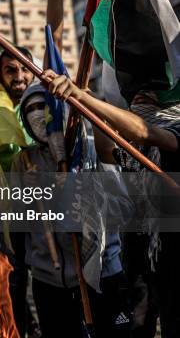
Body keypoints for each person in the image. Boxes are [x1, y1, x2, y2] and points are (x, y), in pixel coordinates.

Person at [43, 68, 180, 337]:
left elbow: (143, 131)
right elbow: (107, 150)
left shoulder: (174, 131)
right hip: (144, 262)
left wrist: (83, 97)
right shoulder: (137, 152)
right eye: (135, 99)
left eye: (148, 98)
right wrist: (87, 106)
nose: (138, 102)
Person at [11, 83, 130, 338]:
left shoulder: (94, 150)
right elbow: (19, 220)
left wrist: (81, 193)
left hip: (102, 276)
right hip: (50, 283)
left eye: (43, 106)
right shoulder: (25, 162)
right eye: (29, 109)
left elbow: (122, 208)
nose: (37, 114)